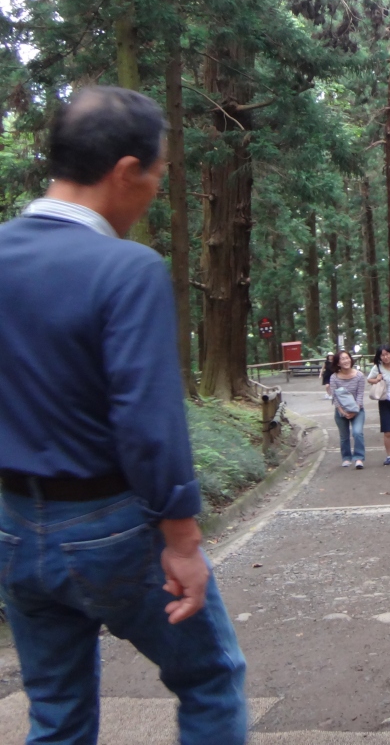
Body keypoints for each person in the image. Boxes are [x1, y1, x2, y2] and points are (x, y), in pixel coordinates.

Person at [0, 86, 247, 744]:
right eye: (158, 176)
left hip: (14, 526)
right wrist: (183, 544)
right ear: (126, 172)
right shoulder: (125, 268)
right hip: (111, 527)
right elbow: (147, 422)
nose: (154, 193)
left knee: (56, 711)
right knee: (209, 679)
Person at [329, 349, 366, 469]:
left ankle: (359, 458)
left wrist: (355, 411)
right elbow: (334, 397)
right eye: (342, 359)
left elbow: (360, 395)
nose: (346, 361)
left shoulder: (359, 376)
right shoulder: (334, 377)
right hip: (341, 411)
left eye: (347, 358)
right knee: (344, 436)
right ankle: (346, 458)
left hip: (357, 410)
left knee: (357, 432)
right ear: (338, 363)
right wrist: (342, 412)